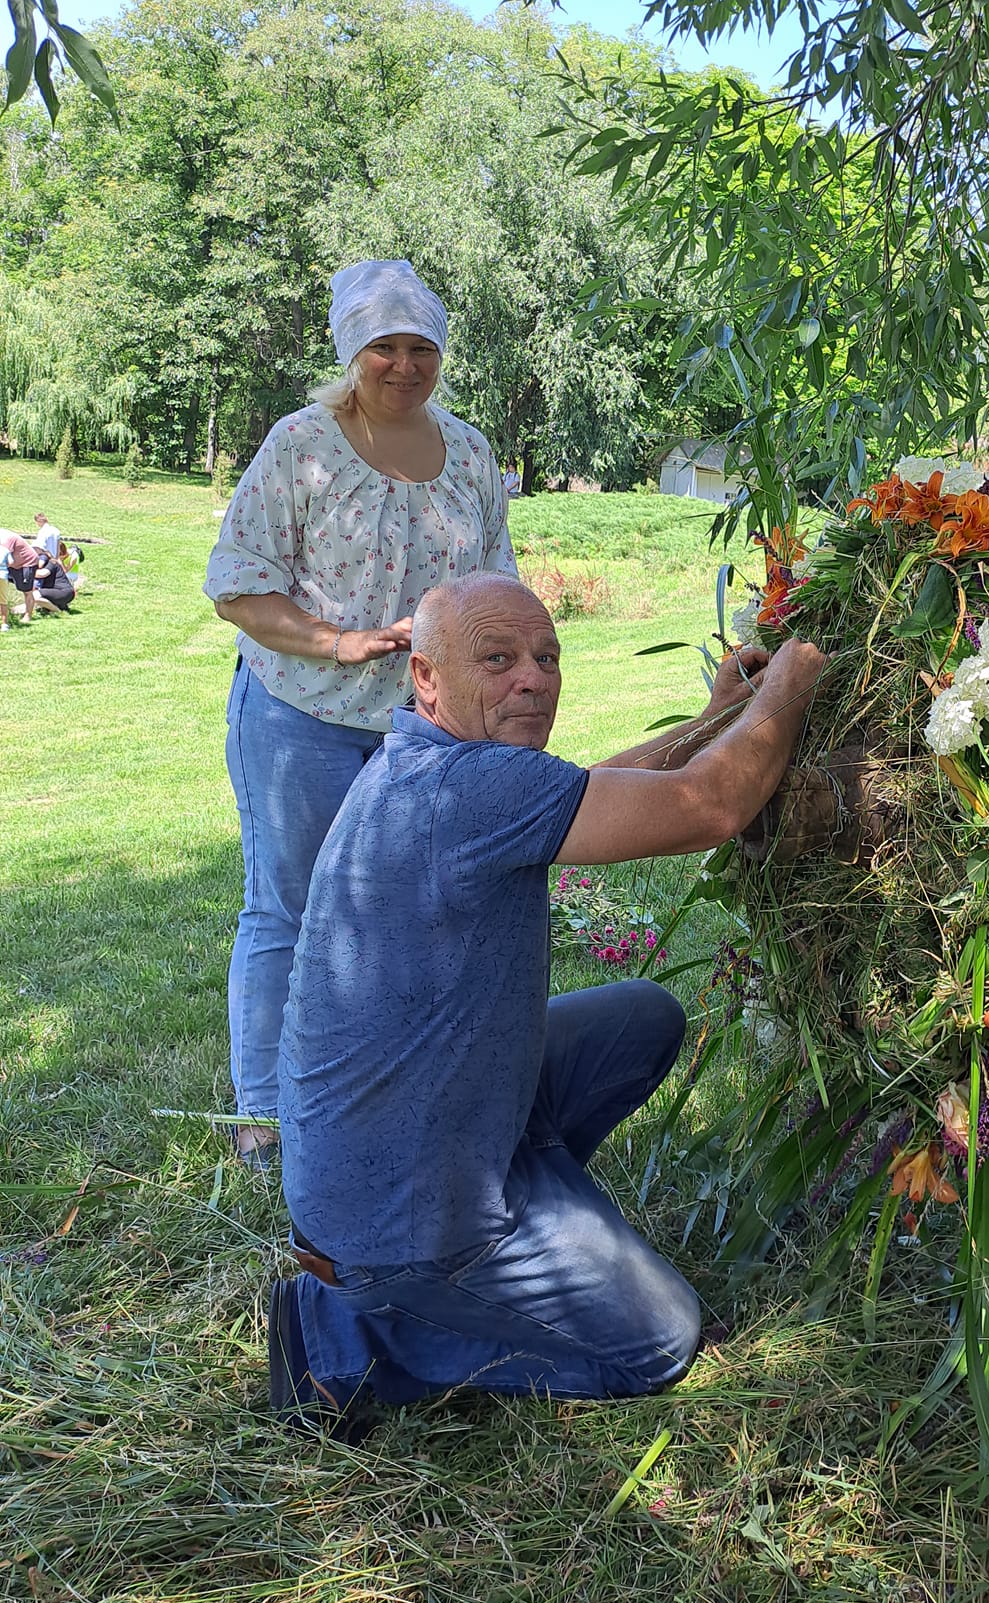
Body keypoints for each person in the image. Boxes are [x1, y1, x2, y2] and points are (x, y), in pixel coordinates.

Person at [268, 572, 825, 1434]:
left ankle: (535, 1203)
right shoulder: (463, 790)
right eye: (498, 659)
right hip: (397, 1213)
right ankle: (358, 1333)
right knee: (661, 1341)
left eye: (546, 657)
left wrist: (720, 719)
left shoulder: (432, 766)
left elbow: (595, 791)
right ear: (426, 677)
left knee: (642, 1018)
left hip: (426, 1136)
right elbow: (713, 806)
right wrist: (796, 676)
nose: (533, 677)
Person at [204, 259, 518, 1170]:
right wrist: (334, 642)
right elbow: (237, 585)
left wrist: (496, 677)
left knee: (406, 914)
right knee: (286, 911)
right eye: (385, 346)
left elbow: (496, 582)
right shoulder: (301, 444)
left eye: (422, 347)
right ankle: (262, 1115)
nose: (404, 365)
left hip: (423, 734)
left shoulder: (469, 454)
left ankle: (376, 1087)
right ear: (353, 351)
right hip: (297, 716)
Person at [2, 529, 42, 624]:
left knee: (27, 591)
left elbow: (4, 558)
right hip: (12, 564)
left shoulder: (5, 539)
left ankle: (28, 615)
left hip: (26, 563)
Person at [31, 547, 77, 613]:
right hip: (62, 592)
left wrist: (25, 572)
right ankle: (60, 607)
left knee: (34, 595)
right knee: (34, 596)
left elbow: (42, 574)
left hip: (64, 591)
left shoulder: (52, 562)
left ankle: (57, 611)